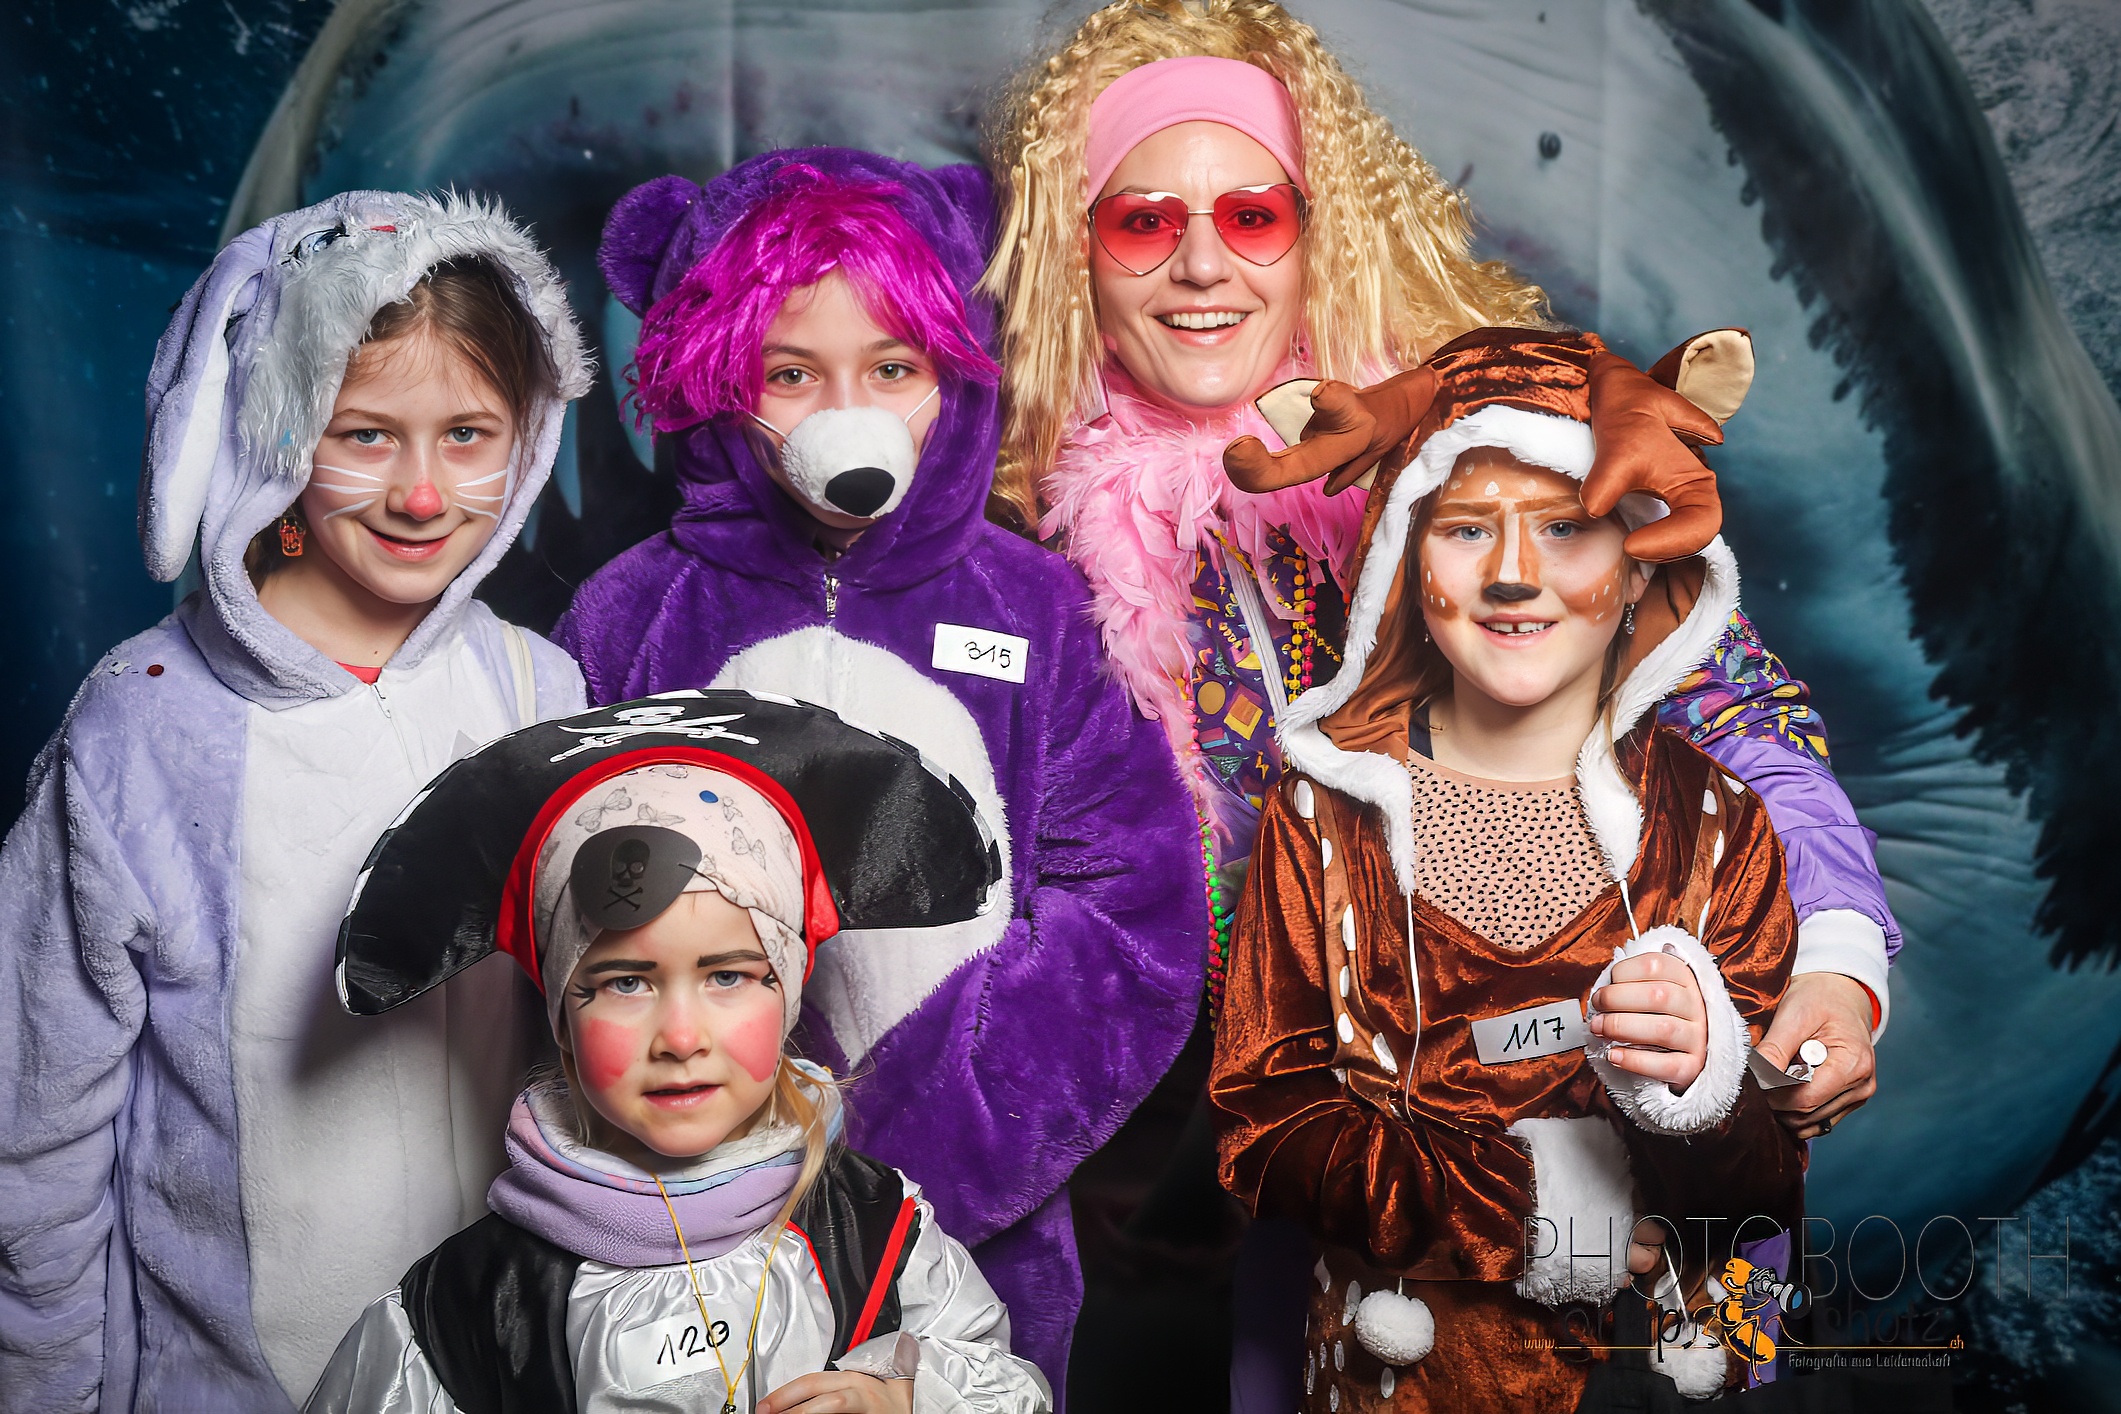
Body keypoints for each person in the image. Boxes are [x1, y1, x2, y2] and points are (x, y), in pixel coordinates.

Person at [979, 3, 1892, 1403]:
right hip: (1348, 1213)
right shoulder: (1009, 538)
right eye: (1144, 222)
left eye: (1252, 215)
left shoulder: (1477, 452)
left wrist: (1834, 954)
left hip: (1640, 1131)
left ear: (1316, 228)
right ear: (1074, 249)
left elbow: (1736, 708)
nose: (1204, 264)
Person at [556, 150, 1203, 1400]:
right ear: (711, 378)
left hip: (976, 1241)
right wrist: (726, 1151)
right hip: (681, 1235)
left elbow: (1134, 911)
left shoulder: (1037, 609)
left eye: (894, 368)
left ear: (956, 368)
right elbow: (566, 928)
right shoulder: (628, 616)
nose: (847, 417)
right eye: (790, 373)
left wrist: (922, 1137)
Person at [0, 192, 591, 1409]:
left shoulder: (541, 690)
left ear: (527, 434)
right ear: (272, 430)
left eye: (468, 434)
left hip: (504, 1369)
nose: (422, 495)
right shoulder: (141, 731)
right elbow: (37, 1125)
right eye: (363, 434)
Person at [1210, 328, 1806, 1412]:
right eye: (1466, 528)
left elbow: (1767, 1187)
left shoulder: (1715, 827)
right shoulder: (1326, 816)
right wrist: (1518, 1206)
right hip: (1395, 1377)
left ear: (1641, 561)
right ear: (1406, 563)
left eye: (1566, 526)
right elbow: (1265, 1125)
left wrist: (1702, 1086)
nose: (1514, 573)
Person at [308, 692, 1051, 1414]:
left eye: (727, 976)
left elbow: (1001, 1384)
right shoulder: (463, 1313)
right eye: (625, 982)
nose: (682, 1038)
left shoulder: (877, 1229)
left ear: (788, 993)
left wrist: (906, 1401)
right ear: (562, 1018)